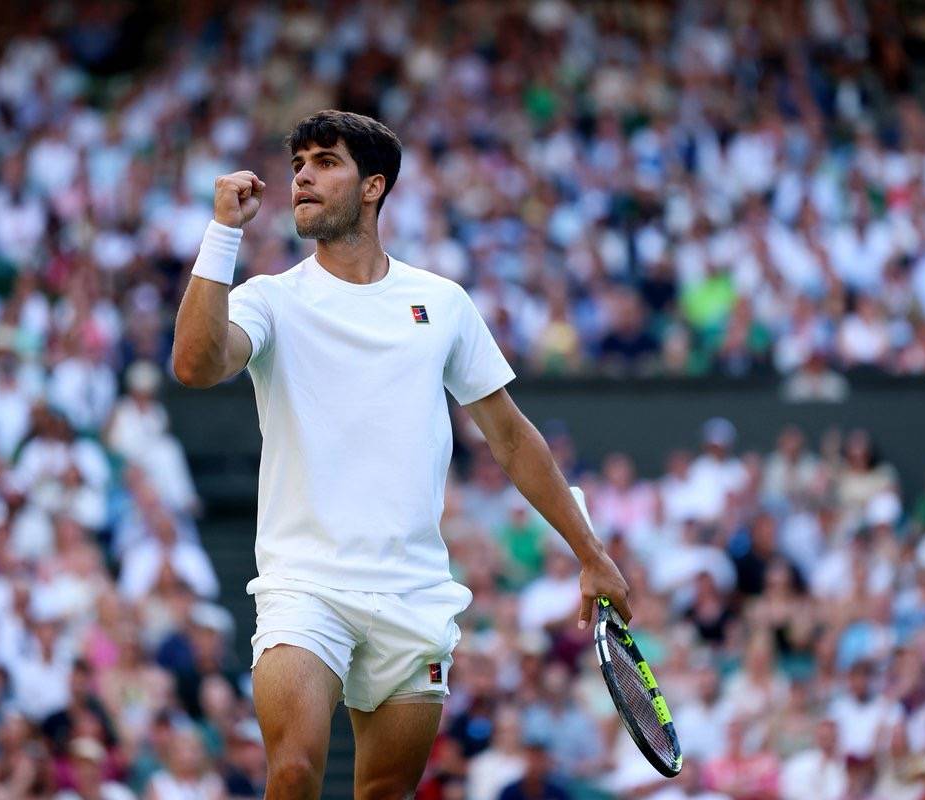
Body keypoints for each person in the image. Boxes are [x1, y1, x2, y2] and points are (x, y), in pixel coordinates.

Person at [170, 109, 630, 798]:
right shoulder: (270, 300)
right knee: (293, 769)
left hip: (412, 594)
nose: (302, 176)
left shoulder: (440, 303)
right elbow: (195, 365)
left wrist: (590, 553)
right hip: (305, 585)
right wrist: (221, 236)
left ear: (373, 187)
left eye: (325, 162)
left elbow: (509, 436)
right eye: (298, 163)